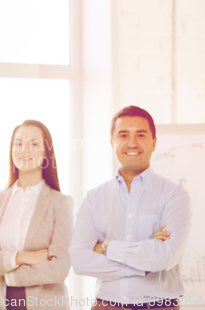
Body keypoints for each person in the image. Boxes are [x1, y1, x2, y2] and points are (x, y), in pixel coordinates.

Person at [69, 106, 192, 310]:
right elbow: (79, 260)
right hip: (106, 306)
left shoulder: (174, 194)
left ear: (154, 142)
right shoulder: (94, 198)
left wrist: (107, 247)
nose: (132, 143)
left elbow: (165, 257)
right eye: (123, 135)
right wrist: (144, 262)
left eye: (141, 135)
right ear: (112, 142)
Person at [0, 120, 73, 310]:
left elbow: (59, 269)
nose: (24, 150)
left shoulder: (61, 203)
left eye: (34, 144)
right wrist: (20, 257)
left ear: (46, 153)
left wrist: (0, 265)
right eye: (18, 144)